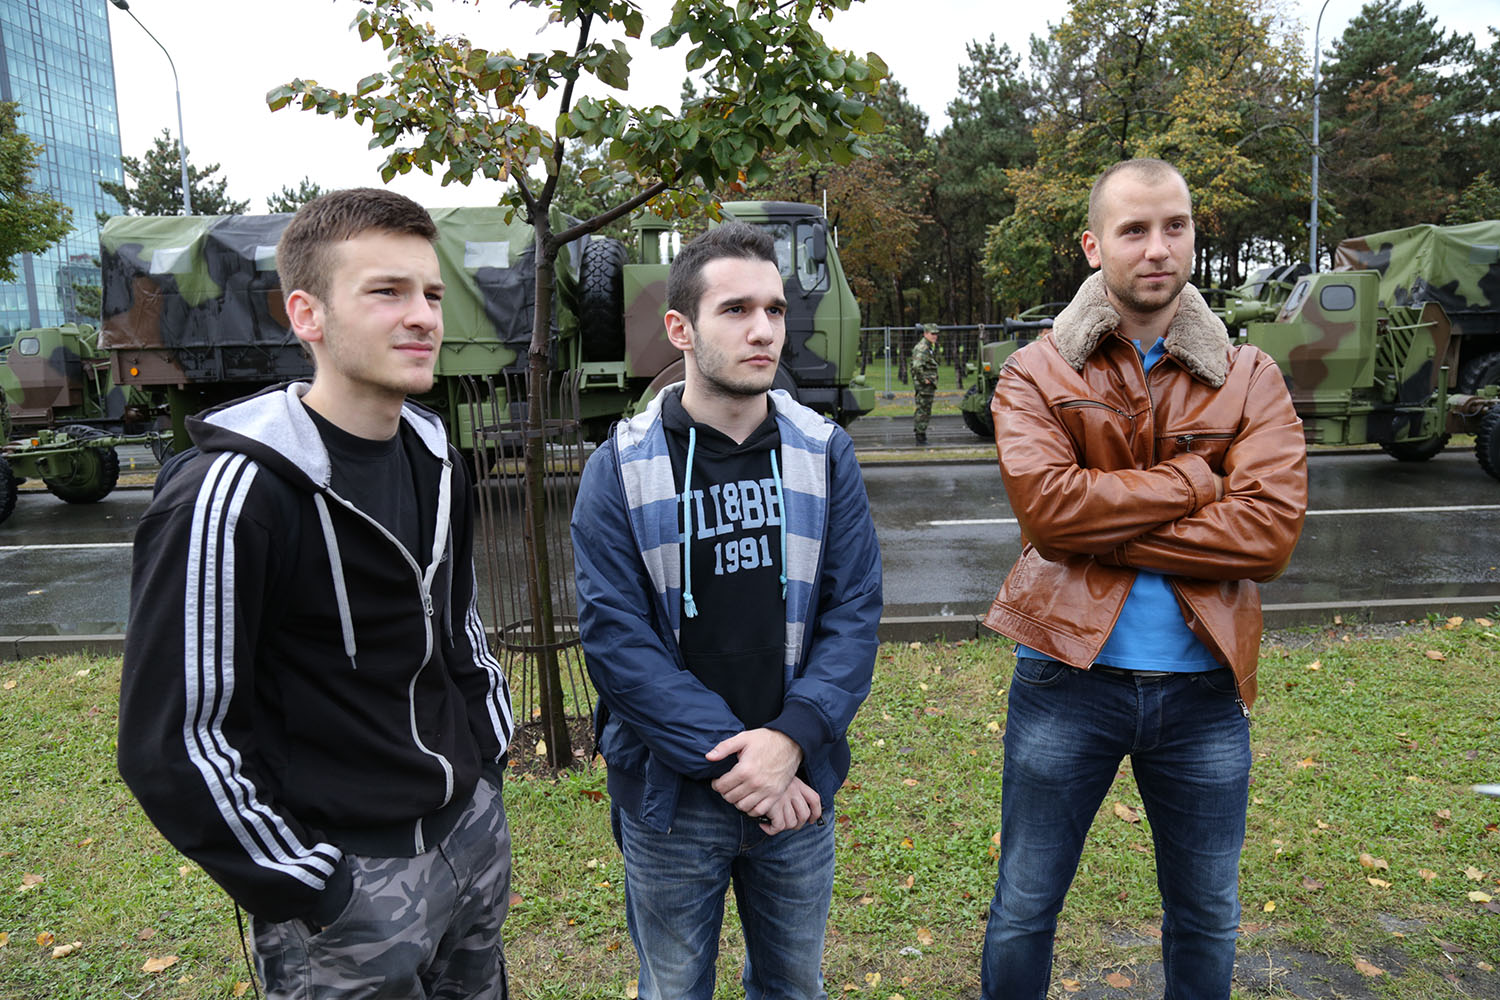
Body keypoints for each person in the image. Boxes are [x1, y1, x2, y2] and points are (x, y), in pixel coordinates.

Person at [117, 188, 516, 999]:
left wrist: (485, 770)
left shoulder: (436, 458)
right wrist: (311, 886)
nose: (423, 317)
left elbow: (458, 628)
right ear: (307, 315)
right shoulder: (232, 493)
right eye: (387, 292)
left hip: (469, 842)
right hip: (346, 885)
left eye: (432, 294)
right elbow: (174, 739)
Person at [979, 159, 1307, 999]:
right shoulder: (1037, 372)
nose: (1157, 247)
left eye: (1174, 226)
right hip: (1065, 680)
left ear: (1193, 235)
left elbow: (1268, 535)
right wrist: (1199, 479)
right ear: (1094, 246)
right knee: (1025, 907)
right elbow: (1050, 515)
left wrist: (1100, 529)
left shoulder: (1250, 375)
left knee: (1207, 915)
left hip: (1204, 693)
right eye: (1133, 229)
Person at [571, 222, 883, 1000]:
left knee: (794, 987)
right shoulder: (621, 467)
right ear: (680, 329)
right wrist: (749, 765)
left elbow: (853, 614)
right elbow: (617, 644)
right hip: (672, 802)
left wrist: (792, 741)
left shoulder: (823, 452)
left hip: (798, 789)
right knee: (674, 988)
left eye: (774, 309)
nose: (764, 330)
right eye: (736, 310)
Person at [910, 322, 940, 444]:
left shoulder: (928, 347)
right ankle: (920, 437)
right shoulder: (923, 348)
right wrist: (924, 380)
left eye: (936, 334)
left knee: (924, 409)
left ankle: (921, 434)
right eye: (932, 334)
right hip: (924, 386)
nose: (935, 336)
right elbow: (916, 366)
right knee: (923, 410)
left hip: (927, 385)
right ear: (925, 333)